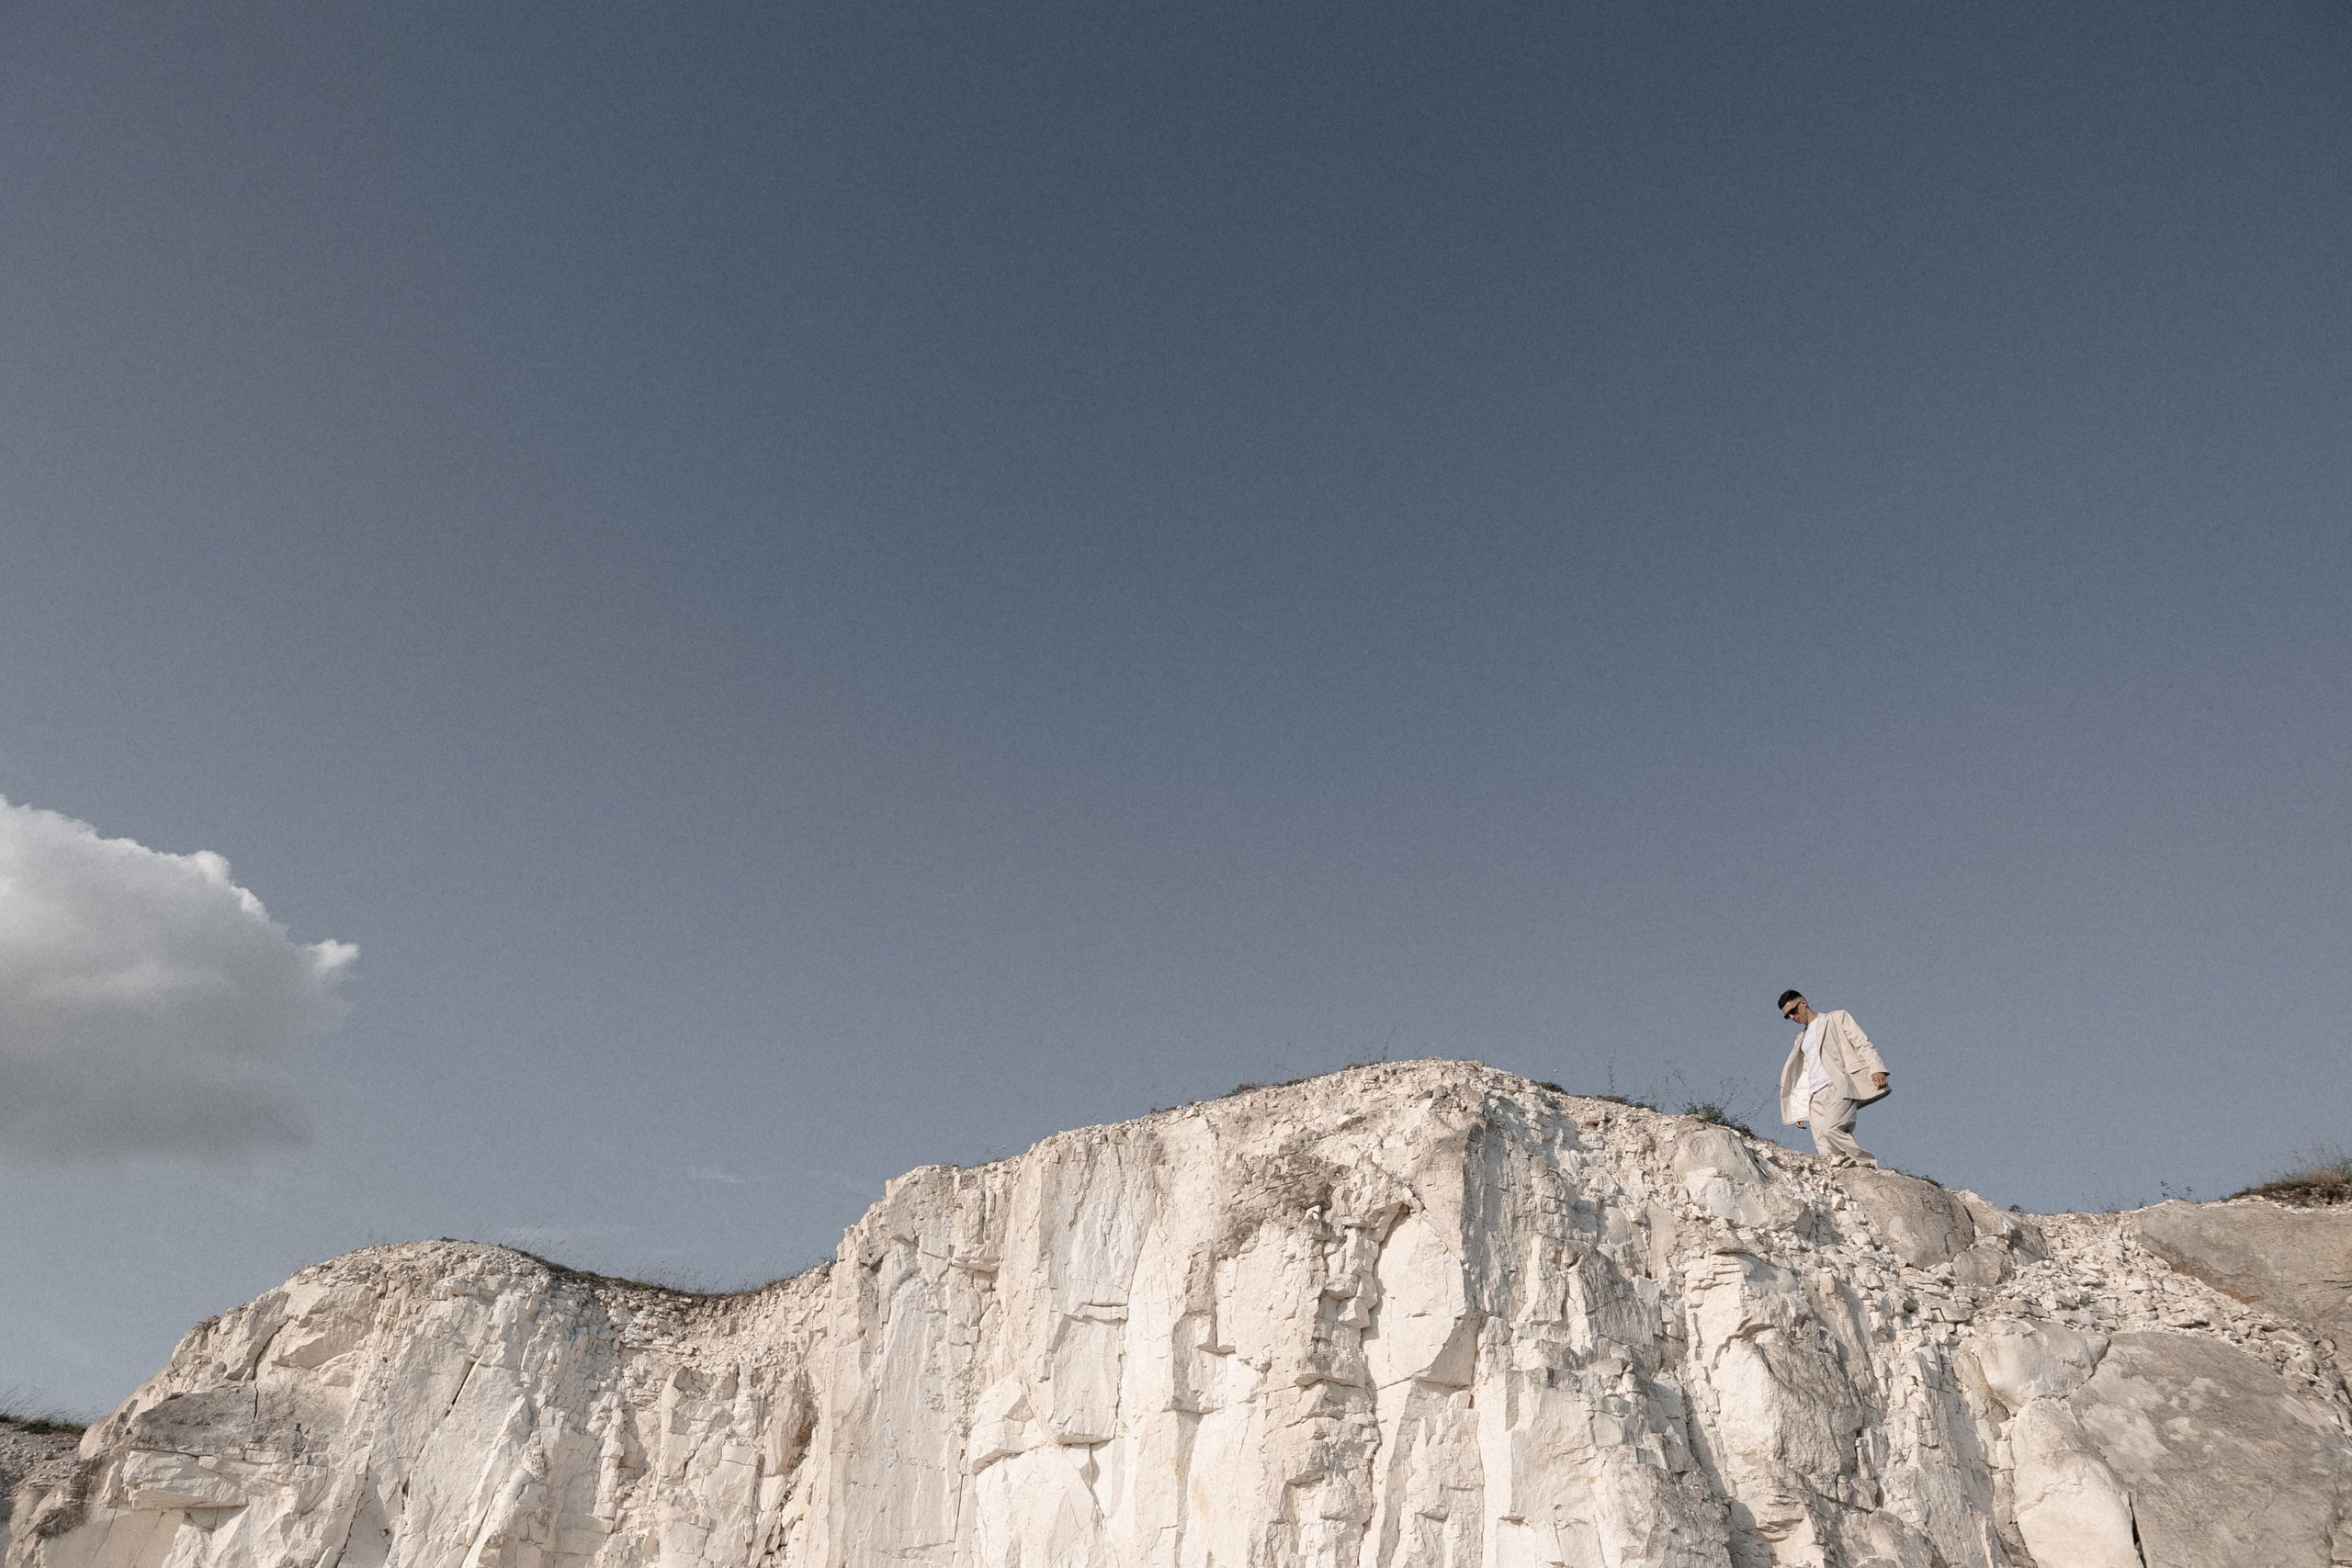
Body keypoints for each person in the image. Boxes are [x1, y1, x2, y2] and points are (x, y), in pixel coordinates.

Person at [1776, 991, 1890, 1168]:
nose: (1792, 1017)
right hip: (1814, 1095)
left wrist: (1876, 1069)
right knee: (1825, 1147)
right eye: (1787, 1016)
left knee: (1832, 1129)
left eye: (1793, 1011)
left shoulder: (1836, 1018)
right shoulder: (1801, 1038)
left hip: (1838, 1085)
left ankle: (1867, 1164)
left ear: (1803, 1003)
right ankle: (1843, 1175)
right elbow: (1803, 1074)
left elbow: (1862, 1042)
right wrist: (1800, 1109)